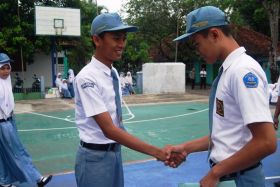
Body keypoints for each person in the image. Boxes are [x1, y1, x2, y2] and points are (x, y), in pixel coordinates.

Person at [164, 6, 277, 187]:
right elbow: (228, 135)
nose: (197, 50)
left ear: (215, 35)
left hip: (242, 179)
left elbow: (266, 141)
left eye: (197, 43)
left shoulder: (242, 71)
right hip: (232, 175)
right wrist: (187, 148)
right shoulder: (229, 71)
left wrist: (215, 172)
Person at [73, 13, 180, 187]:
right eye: (116, 38)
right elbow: (109, 130)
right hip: (95, 159)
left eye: (124, 38)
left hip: (114, 153)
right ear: (97, 40)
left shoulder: (112, 73)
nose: (121, 44)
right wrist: (157, 152)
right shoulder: (87, 78)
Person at [0, 53, 52, 187]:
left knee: (11, 152)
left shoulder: (6, 81)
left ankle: (6, 182)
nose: (6, 71)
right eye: (2, 68)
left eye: (8, 67)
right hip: (3, 124)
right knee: (16, 152)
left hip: (9, 120)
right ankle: (36, 178)